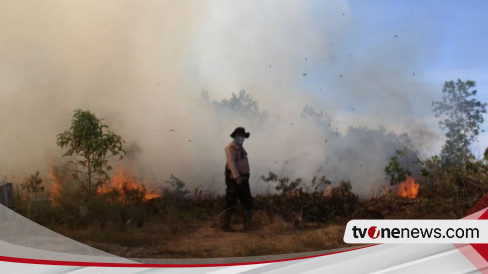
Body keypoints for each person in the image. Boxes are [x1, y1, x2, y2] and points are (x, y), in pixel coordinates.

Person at [222, 127, 253, 231]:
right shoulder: (231, 147)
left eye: (243, 136)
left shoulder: (240, 148)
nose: (242, 138)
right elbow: (231, 163)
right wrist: (237, 177)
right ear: (235, 136)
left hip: (244, 178)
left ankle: (248, 225)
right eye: (240, 136)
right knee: (231, 201)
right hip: (235, 180)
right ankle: (226, 225)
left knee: (247, 201)